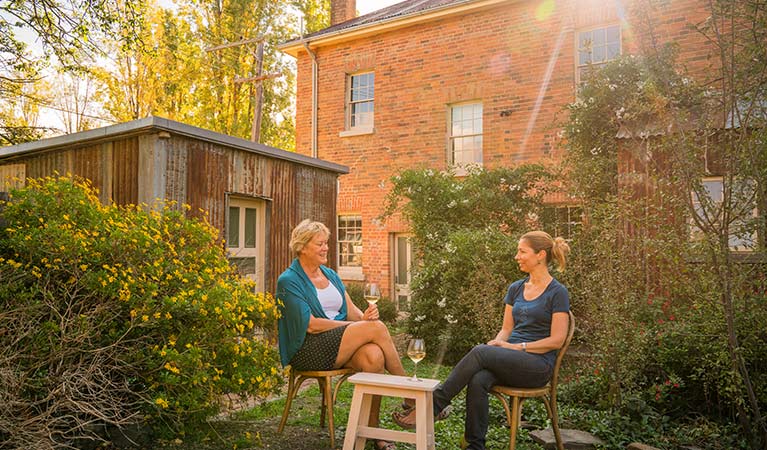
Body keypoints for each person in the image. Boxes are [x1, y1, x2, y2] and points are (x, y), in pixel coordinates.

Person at [392, 230, 571, 450]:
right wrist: (499, 344)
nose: (517, 256)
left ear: (540, 255)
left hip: (537, 365)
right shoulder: (516, 288)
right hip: (512, 357)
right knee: (478, 379)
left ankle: (433, 406)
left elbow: (557, 340)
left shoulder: (557, 292)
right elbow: (506, 330)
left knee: (480, 351)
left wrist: (515, 347)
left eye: (522, 251)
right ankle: (475, 446)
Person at [277, 219, 410, 450]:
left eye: (326, 242)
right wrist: (356, 327)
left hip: (339, 343)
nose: (326, 248)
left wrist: (365, 317)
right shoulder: (289, 281)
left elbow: (353, 313)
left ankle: (374, 432)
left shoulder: (331, 275)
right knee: (377, 329)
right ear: (302, 247)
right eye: (319, 244)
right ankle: (410, 398)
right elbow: (310, 325)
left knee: (374, 357)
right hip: (310, 348)